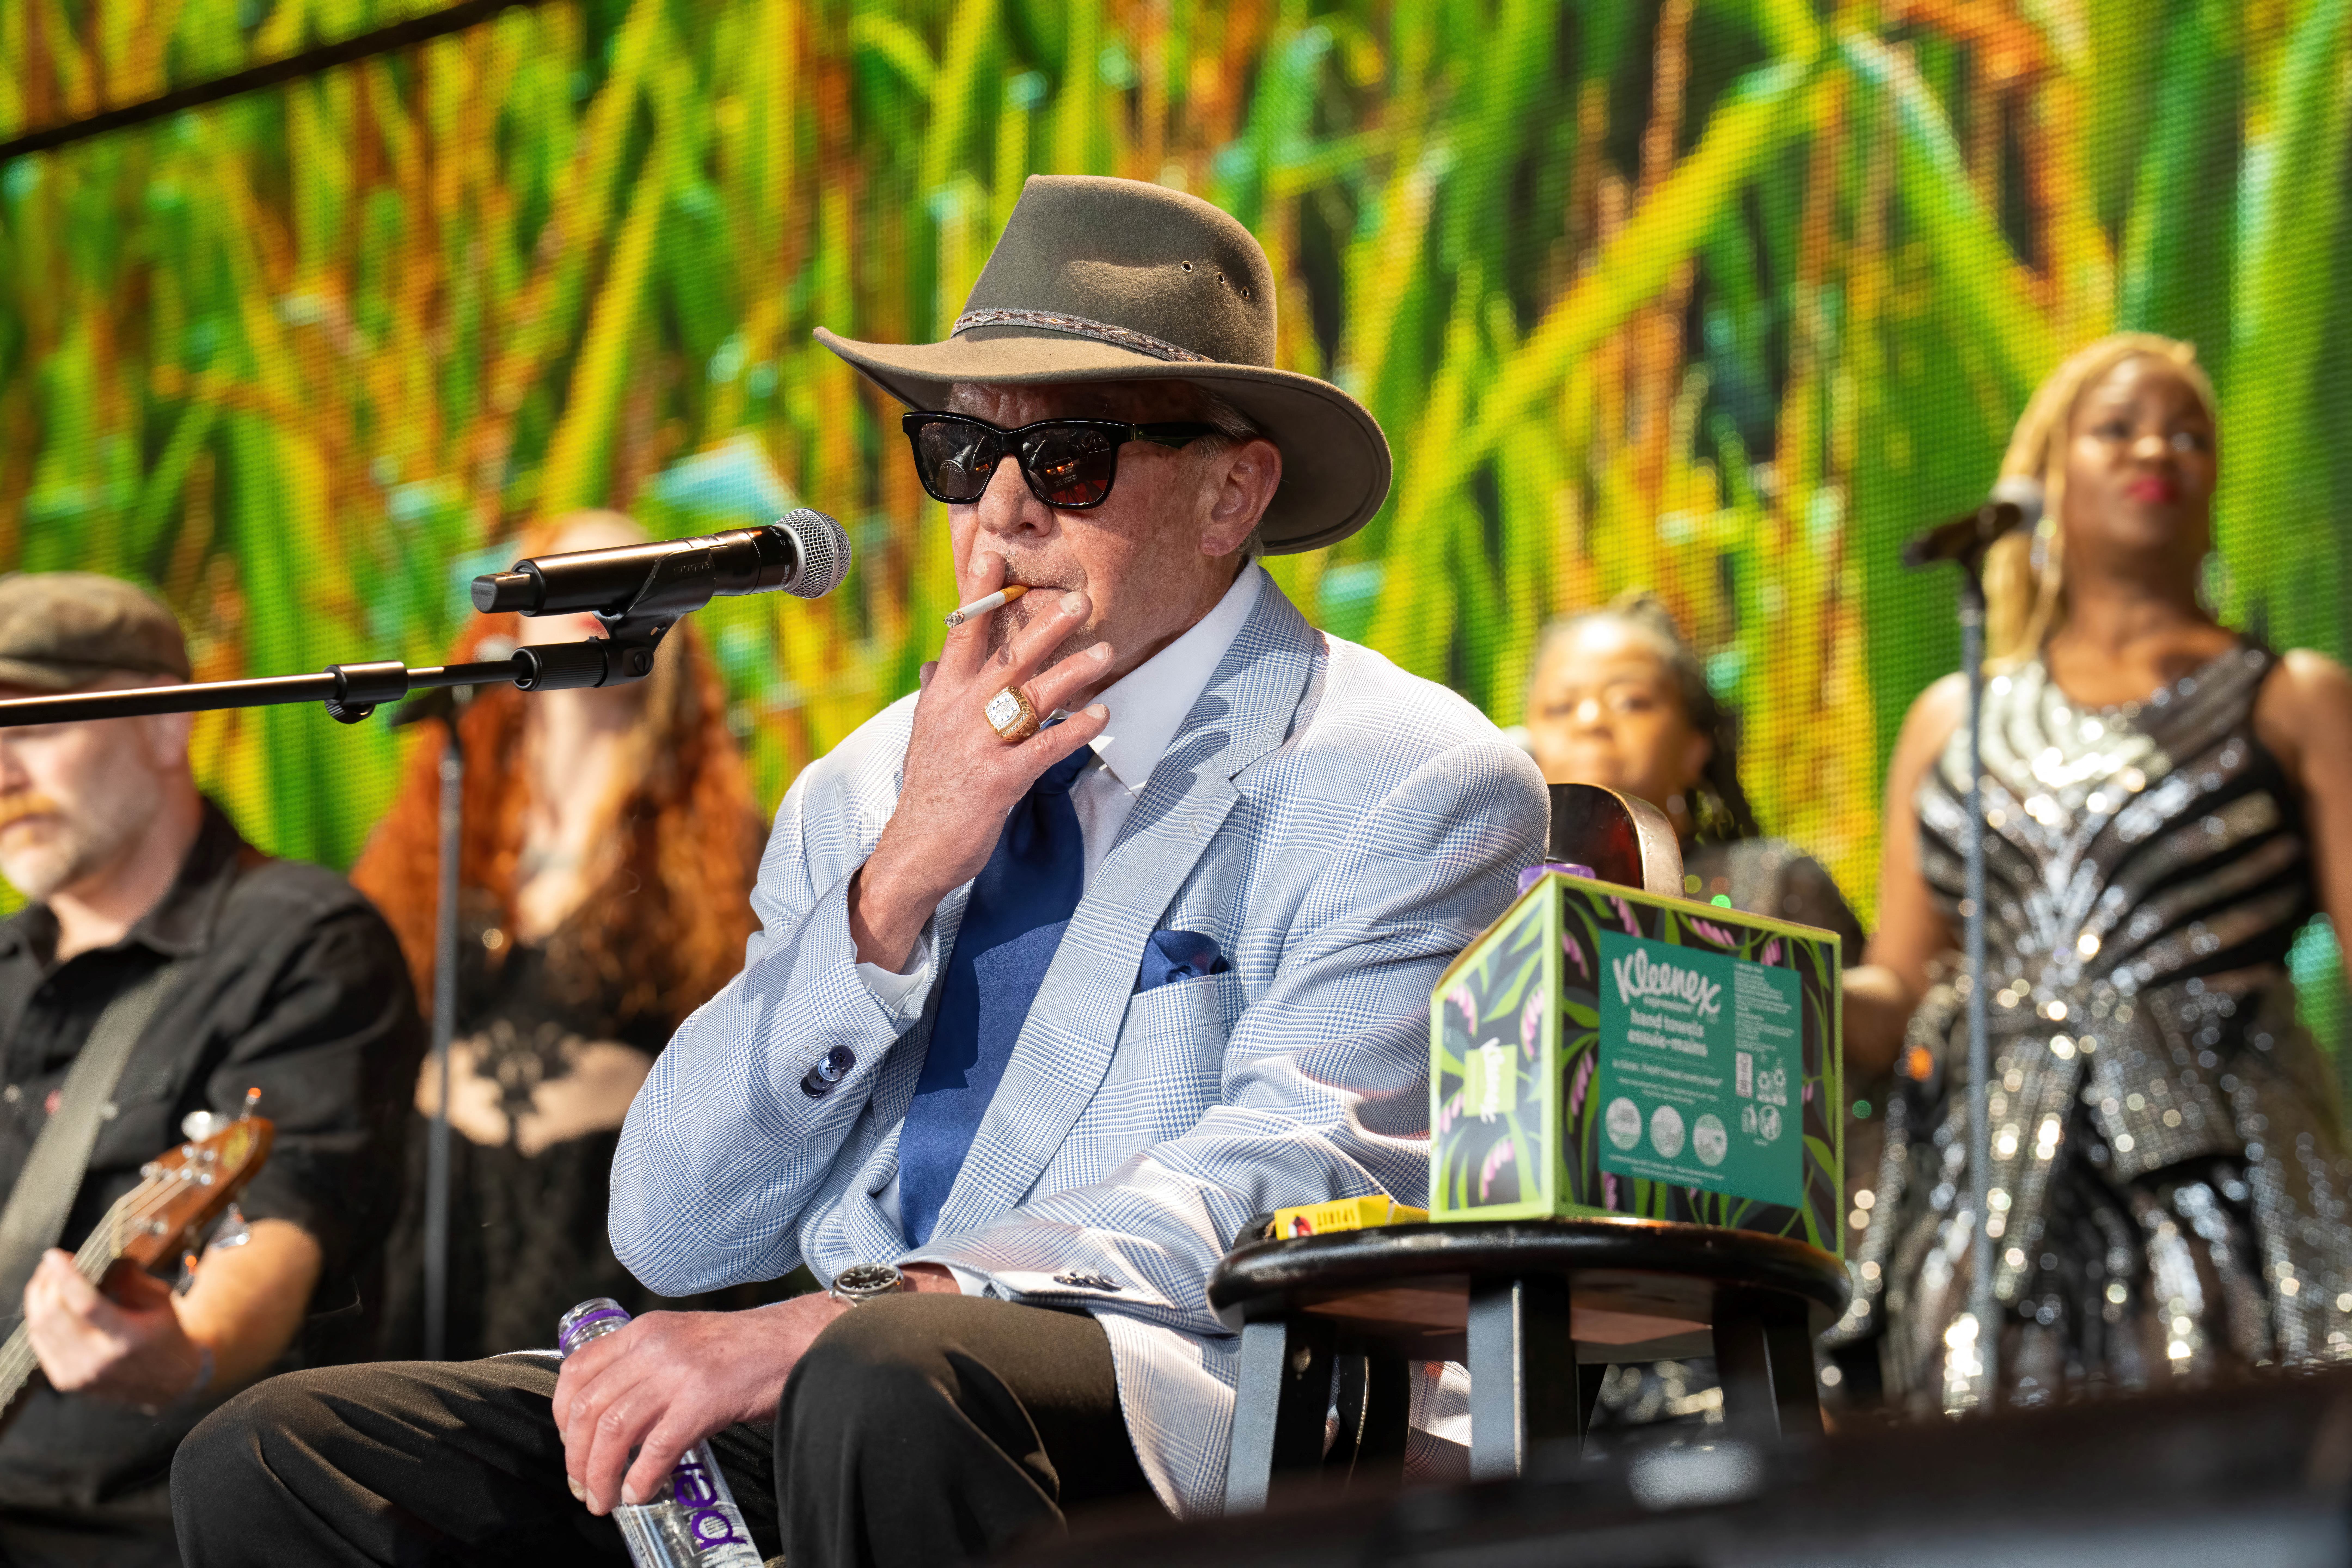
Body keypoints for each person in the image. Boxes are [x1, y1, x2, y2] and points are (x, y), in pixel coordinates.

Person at [171, 174, 1547, 1566]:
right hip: (844, 1390)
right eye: (960, 453)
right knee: (282, 1461)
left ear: (1231, 491)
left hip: (1188, 1391)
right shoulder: (868, 784)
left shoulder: (1405, 773)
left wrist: (849, 1316)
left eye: (1066, 459)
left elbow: (1307, 1175)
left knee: (888, 1378)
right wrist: (892, 887)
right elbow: (673, 1228)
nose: (999, 515)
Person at [1835, 333, 2352, 1410]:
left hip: (2226, 1172)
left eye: (2190, 434)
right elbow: (1895, 985)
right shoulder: (1952, 716)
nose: (2156, 446)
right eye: (2117, 428)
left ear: (2215, 487)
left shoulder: (2294, 696)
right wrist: (1756, 989)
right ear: (2046, 480)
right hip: (1985, 1192)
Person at [0, 573, 424, 1566]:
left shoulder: (302, 942)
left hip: (144, 1524)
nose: (3, 769)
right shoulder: (9, 970)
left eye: (34, 723)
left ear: (164, 726)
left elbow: (279, 1220)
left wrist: (178, 1355)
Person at [353, 511, 778, 1362]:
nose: (598, 595)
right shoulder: (445, 810)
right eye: (572, 574)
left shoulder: (727, 846)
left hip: (607, 1217)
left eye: (625, 575)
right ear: (514, 614)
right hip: (438, 1207)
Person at [1521, 590, 1880, 1426]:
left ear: (1695, 746)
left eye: (1632, 699)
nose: (1593, 721)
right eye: (1560, 705)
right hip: (1563, 1296)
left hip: (1742, 1290)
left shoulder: (1766, 883)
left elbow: (1853, 1090)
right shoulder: (1502, 912)